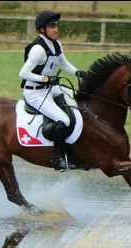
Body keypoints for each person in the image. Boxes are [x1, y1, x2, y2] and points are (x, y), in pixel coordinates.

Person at [19, 11, 86, 172]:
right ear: (42, 29)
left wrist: (78, 73)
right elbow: (23, 73)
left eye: (56, 26)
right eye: (51, 27)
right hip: (35, 92)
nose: (56, 29)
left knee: (76, 99)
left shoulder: (56, 44)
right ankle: (58, 160)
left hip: (51, 89)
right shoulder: (38, 50)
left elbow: (64, 63)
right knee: (64, 120)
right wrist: (46, 79)